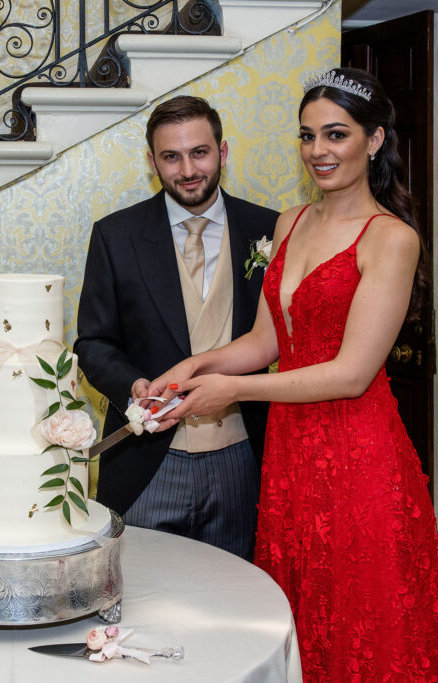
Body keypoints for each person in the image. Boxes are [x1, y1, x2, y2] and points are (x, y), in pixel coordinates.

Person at [147, 69, 438, 680]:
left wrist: (233, 390)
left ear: (373, 141)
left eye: (336, 134)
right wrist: (196, 366)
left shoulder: (391, 240)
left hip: (358, 451)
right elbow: (268, 341)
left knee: (363, 618)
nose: (318, 151)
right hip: (293, 454)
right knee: (304, 608)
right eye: (307, 135)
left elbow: (349, 373)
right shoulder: (289, 223)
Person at [74, 95, 278, 559]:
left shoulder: (270, 228)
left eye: (200, 152)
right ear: (152, 162)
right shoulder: (116, 235)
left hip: (244, 456)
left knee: (238, 596)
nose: (188, 169)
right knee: (143, 596)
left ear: (222, 153)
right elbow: (93, 342)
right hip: (148, 461)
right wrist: (133, 386)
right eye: (171, 156)